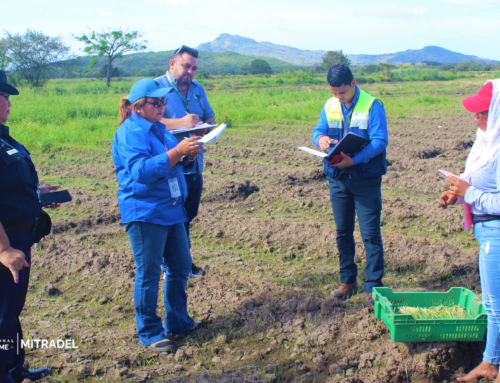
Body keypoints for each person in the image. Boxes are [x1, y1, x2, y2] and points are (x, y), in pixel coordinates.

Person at [112, 78, 206, 352]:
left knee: (180, 266)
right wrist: (178, 151)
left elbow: (170, 160)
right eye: (157, 102)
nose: (162, 106)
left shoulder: (158, 128)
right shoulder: (131, 132)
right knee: (149, 272)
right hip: (145, 212)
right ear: (138, 106)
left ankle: (177, 322)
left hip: (170, 208)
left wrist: (186, 155)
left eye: (164, 101)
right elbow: (141, 171)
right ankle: (150, 332)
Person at [438, 80, 500, 383]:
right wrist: (458, 194)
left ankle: (491, 364)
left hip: (497, 232)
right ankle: (491, 363)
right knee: (490, 302)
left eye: (481, 112)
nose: (474, 118)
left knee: (498, 305)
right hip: (486, 230)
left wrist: (470, 192)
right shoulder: (488, 142)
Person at [311, 64, 389, 305]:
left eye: (342, 92)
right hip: (338, 179)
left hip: (365, 178)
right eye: (334, 92)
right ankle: (348, 280)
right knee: (343, 232)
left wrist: (354, 160)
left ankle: (373, 285)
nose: (338, 97)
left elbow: (379, 141)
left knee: (370, 234)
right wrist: (320, 139)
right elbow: (318, 130)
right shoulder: (330, 105)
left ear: (353, 84)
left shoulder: (372, 105)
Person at [0, 70, 59, 382]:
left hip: (20, 238)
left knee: (10, 312)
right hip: (6, 243)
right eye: (4, 96)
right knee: (1, 314)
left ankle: (11, 368)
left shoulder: (4, 138)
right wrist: (4, 248)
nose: (9, 102)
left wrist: (38, 194)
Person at [156, 45, 216, 278]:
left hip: (194, 164)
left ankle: (182, 261)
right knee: (170, 216)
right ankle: (170, 264)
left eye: (194, 68)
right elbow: (146, 121)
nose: (190, 71)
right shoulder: (157, 88)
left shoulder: (198, 89)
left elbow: (209, 116)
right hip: (170, 166)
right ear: (172, 64)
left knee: (187, 215)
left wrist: (205, 128)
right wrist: (180, 122)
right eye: (186, 66)